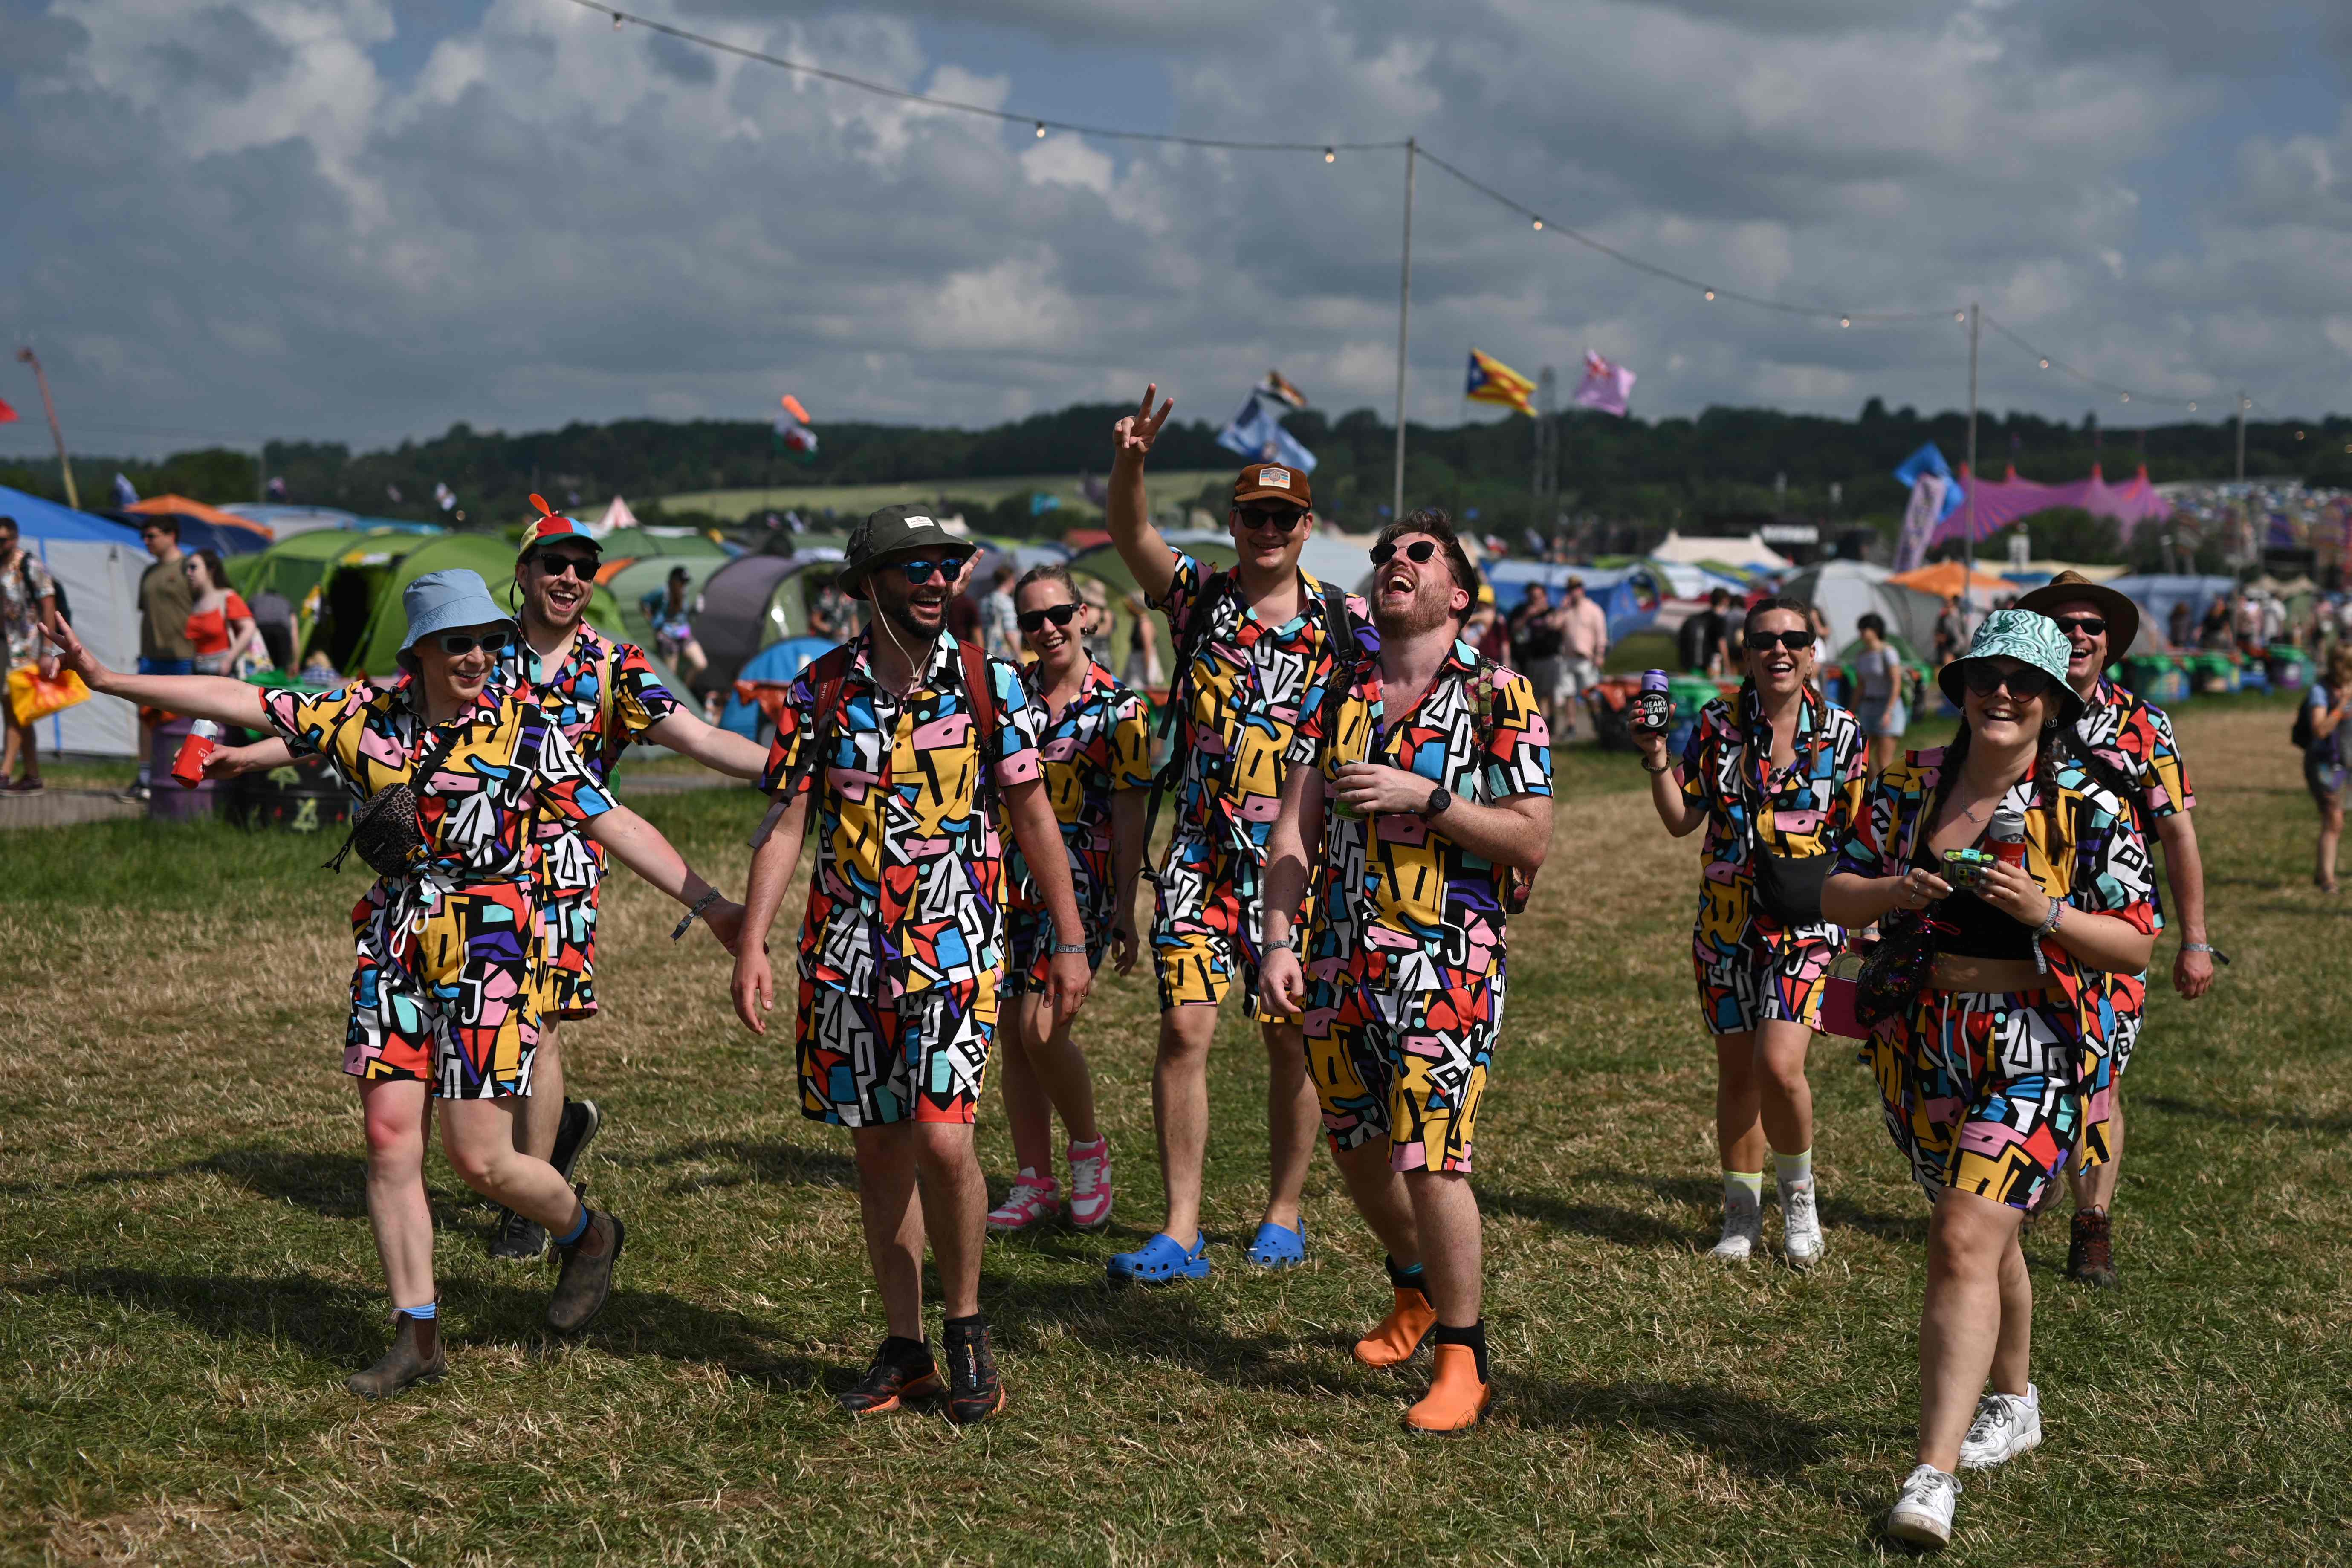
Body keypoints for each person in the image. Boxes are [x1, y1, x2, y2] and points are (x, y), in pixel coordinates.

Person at [40, 572, 744, 1397]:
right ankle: (418, 1335)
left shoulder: (528, 733)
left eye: (489, 639)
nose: (479, 654)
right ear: (419, 653)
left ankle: (587, 1234)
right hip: (399, 942)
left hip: (493, 948)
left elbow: (613, 820)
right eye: (459, 641)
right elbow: (238, 694)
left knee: (480, 1159)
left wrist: (711, 903)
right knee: (387, 1140)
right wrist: (109, 677)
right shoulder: (361, 720)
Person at [212, 506, 775, 1262]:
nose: (569, 576)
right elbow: (375, 719)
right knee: (503, 1041)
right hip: (460, 873)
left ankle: (530, 1197)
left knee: (536, 1027)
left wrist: (787, 766)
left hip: (565, 864)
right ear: (524, 572)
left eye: (583, 564)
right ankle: (529, 1165)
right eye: (554, 563)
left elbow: (702, 738)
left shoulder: (616, 667)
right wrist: (255, 757)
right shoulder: (478, 640)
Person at [729, 504, 1093, 1425]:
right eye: (914, 566)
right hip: (846, 954)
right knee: (879, 1147)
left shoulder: (989, 686)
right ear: (867, 585)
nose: (936, 581)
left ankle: (966, 1325)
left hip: (956, 946)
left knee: (942, 1138)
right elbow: (785, 824)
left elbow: (1033, 818)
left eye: (944, 566)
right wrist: (752, 939)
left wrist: (1072, 938)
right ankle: (906, 1346)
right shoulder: (818, 690)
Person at [1823, 610, 2156, 1550]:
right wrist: (1894, 891)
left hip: (2036, 1042)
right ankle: (2014, 1399)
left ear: (2050, 701)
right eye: (1984, 675)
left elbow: (2133, 938)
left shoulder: (2089, 801)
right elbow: (1833, 890)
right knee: (1978, 1231)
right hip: (1922, 1043)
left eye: (2022, 680)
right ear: (1960, 686)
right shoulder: (1907, 787)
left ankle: (1929, 1479)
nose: (2000, 693)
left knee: (1964, 1236)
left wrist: (2045, 910)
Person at [1261, 509, 1553, 1433]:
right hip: (1338, 955)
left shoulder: (1500, 694)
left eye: (1416, 554)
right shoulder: (1335, 692)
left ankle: (1464, 1359)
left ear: (1457, 594)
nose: (1394, 563)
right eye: (1385, 554)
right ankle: (1415, 1288)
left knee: (1431, 1156)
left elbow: (1530, 835)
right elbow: (1291, 831)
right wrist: (1275, 938)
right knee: (1354, 1145)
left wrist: (1427, 799)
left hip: (1446, 959)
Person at [1099, 386, 1377, 1284]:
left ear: (1306, 527)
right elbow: (1129, 537)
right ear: (1231, 523)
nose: (1266, 530)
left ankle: (1283, 1212)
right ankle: (1180, 1229)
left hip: (1298, 865)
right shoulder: (1197, 600)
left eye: (1282, 518)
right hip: (1200, 856)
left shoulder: (1345, 624)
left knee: (1287, 1036)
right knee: (1183, 1032)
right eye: (1254, 516)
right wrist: (1130, 464)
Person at [1634, 597, 1866, 1265]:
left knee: (1777, 1064)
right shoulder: (1715, 723)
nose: (1780, 650)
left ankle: (1800, 1200)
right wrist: (1655, 756)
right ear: (1745, 654)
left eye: (1795, 638)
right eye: (1764, 640)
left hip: (1806, 920)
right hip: (1726, 925)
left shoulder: (1844, 733)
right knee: (1736, 1073)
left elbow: (1859, 835)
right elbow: (1682, 820)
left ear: (1814, 650)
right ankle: (1741, 1215)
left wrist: (1869, 919)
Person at [2015, 570, 2215, 1287]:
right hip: (2016, 927)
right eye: (2064, 624)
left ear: (2109, 642)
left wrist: (2193, 940)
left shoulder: (2143, 724)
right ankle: (2021, 1180)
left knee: (2095, 1077)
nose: (2077, 635)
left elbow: (2179, 835)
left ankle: (2090, 1222)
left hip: (2111, 931)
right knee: (2028, 1065)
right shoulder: (2013, 706)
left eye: (2091, 626)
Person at [984, 563, 1151, 1236]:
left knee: (1041, 1029)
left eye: (1059, 614)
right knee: (1014, 1040)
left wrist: (1124, 906)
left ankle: (1088, 1150)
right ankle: (1034, 1180)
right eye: (1032, 620)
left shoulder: (1121, 707)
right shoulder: (1008, 694)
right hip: (1005, 882)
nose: (1047, 629)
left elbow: (1133, 814)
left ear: (1086, 614)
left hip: (1078, 887)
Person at [125, 516, 196, 801]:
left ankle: (181, 777)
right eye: (144, 536)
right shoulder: (150, 572)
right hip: (151, 659)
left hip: (183, 658)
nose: (146, 541)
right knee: (146, 717)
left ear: (172, 536)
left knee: (181, 721)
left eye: (152, 536)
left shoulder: (188, 568)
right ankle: (145, 779)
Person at [0, 514, 60, 794]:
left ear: (14, 539)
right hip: (5, 647)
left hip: (26, 649)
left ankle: (5, 771)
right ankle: (33, 776)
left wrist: (47, 649)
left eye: (2, 540)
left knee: (17, 711)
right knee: (16, 712)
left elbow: (49, 603)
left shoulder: (29, 564)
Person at [2303, 645, 2352, 892]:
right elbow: (2320, 730)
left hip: (2348, 763)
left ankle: (2323, 872)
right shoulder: (2320, 692)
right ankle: (2327, 879)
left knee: (2337, 821)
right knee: (2334, 818)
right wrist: (2343, 703)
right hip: (2325, 764)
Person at [181, 549, 262, 675]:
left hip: (222, 671)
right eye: (187, 569)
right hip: (197, 669)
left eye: (193, 567)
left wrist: (229, 660)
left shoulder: (227, 597)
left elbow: (249, 627)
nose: (188, 573)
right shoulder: (195, 601)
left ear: (211, 569)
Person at [1852, 613, 1908, 775]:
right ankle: (1872, 792)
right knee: (1862, 755)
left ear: (1875, 630)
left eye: (1865, 629)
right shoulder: (1861, 656)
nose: (1861, 633)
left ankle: (1889, 796)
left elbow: (1896, 682)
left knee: (1884, 760)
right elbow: (1860, 686)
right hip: (1868, 707)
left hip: (1888, 706)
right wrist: (1850, 711)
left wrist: (1888, 712)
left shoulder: (1888, 652)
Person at [1556, 576, 1609, 744]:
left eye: (1576, 588)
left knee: (1590, 694)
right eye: (1570, 589)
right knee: (1569, 694)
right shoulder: (1567, 610)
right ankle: (1571, 726)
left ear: (1582, 589)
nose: (1573, 592)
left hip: (1587, 659)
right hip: (1568, 658)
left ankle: (1598, 723)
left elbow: (1601, 634)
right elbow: (1554, 625)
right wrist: (1562, 609)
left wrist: (1600, 654)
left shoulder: (1593, 610)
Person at [1507, 584, 1568, 732]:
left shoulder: (1553, 611)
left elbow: (1557, 624)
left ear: (1545, 597)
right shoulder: (1522, 611)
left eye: (1537, 597)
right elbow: (1514, 629)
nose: (1534, 601)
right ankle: (1539, 724)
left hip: (1550, 657)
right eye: (1531, 598)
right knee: (1535, 694)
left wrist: (1551, 616)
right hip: (1531, 659)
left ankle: (1552, 723)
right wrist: (1528, 615)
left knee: (1551, 692)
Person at [644, 566, 709, 686]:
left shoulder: (684, 593)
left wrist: (695, 610)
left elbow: (683, 614)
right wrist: (653, 623)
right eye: (681, 582)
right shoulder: (663, 592)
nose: (683, 585)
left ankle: (685, 689)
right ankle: (672, 697)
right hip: (667, 636)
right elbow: (644, 603)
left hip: (683, 633)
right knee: (671, 676)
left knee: (701, 664)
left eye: (685, 583)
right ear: (673, 580)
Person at [1680, 587, 1733, 676]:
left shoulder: (1702, 617)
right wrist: (1728, 666)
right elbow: (1722, 643)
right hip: (1713, 663)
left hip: (1695, 663)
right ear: (1725, 600)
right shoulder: (1719, 619)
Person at [978, 564, 1019, 660]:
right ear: (1010, 580)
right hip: (1004, 655)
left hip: (986, 652)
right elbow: (1010, 632)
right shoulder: (1006, 602)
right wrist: (1018, 654)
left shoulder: (984, 601)